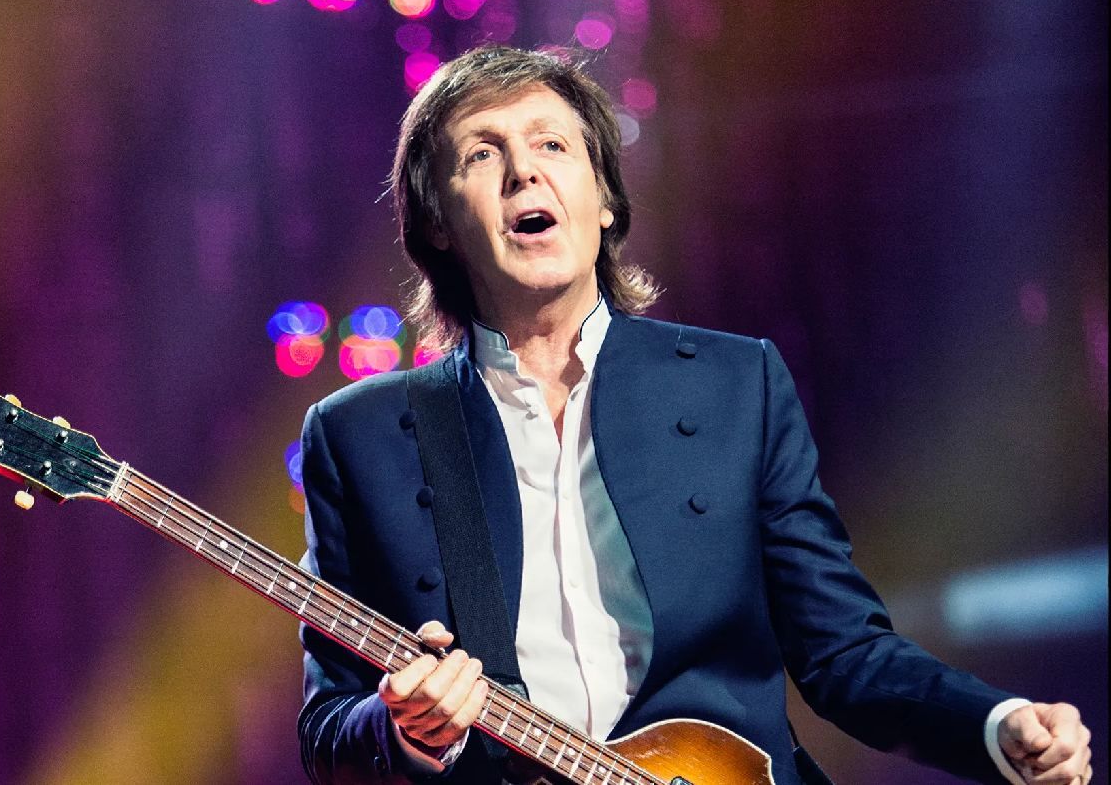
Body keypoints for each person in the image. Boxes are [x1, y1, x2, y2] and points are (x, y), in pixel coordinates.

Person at [296, 45, 1093, 785]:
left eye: (552, 145)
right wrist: (404, 727)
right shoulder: (356, 437)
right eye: (481, 154)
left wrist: (996, 725)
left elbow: (843, 650)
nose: (523, 172)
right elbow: (327, 723)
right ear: (436, 222)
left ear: (603, 201)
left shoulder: (735, 384)